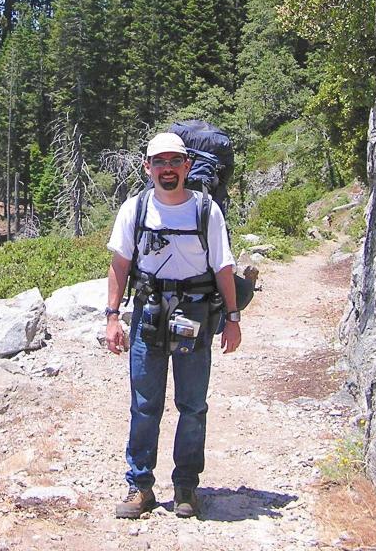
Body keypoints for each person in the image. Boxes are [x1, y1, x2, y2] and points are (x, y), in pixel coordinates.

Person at [105, 131, 242, 519]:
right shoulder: (135, 209)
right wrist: (112, 317)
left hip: (195, 318)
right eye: (159, 162)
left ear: (187, 166)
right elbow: (120, 266)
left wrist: (232, 319)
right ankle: (140, 487)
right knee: (145, 405)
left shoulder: (206, 210)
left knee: (192, 405)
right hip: (149, 316)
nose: (167, 170)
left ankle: (186, 488)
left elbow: (224, 267)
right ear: (148, 168)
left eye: (174, 162)